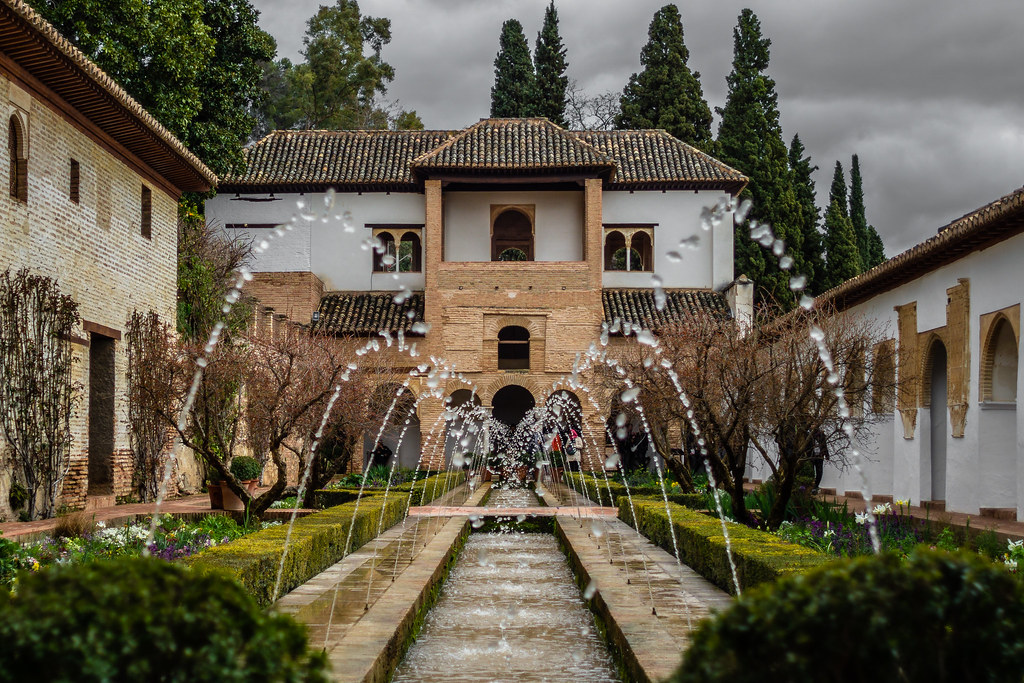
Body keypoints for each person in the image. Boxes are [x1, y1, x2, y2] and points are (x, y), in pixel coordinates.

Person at [811, 427, 829, 493]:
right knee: (812, 471)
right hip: (811, 456)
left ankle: (816, 485)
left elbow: (824, 445)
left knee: (819, 471)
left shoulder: (821, 435)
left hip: (819, 456)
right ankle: (811, 485)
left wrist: (826, 454)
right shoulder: (808, 435)